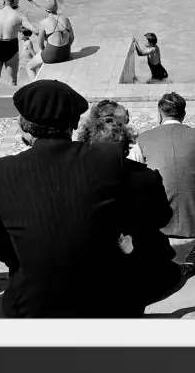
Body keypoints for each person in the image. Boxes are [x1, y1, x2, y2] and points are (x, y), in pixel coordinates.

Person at [0, 80, 167, 317]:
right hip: (107, 301)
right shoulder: (107, 157)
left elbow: (1, 248)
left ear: (23, 125)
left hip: (33, 304)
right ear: (75, 123)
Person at [79, 106, 182, 300]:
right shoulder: (146, 177)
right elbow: (162, 218)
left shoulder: (76, 178)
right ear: (126, 147)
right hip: (140, 265)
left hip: (92, 266)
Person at [129, 92, 195, 241]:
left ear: (159, 114)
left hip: (159, 225)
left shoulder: (144, 138)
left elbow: (131, 170)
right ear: (183, 115)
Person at [25, 0, 74, 80]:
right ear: (57, 8)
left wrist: (46, 52)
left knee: (29, 67)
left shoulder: (44, 22)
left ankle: (36, 89)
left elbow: (40, 44)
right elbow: (71, 38)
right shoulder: (66, 19)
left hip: (51, 56)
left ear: (46, 10)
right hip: (66, 54)